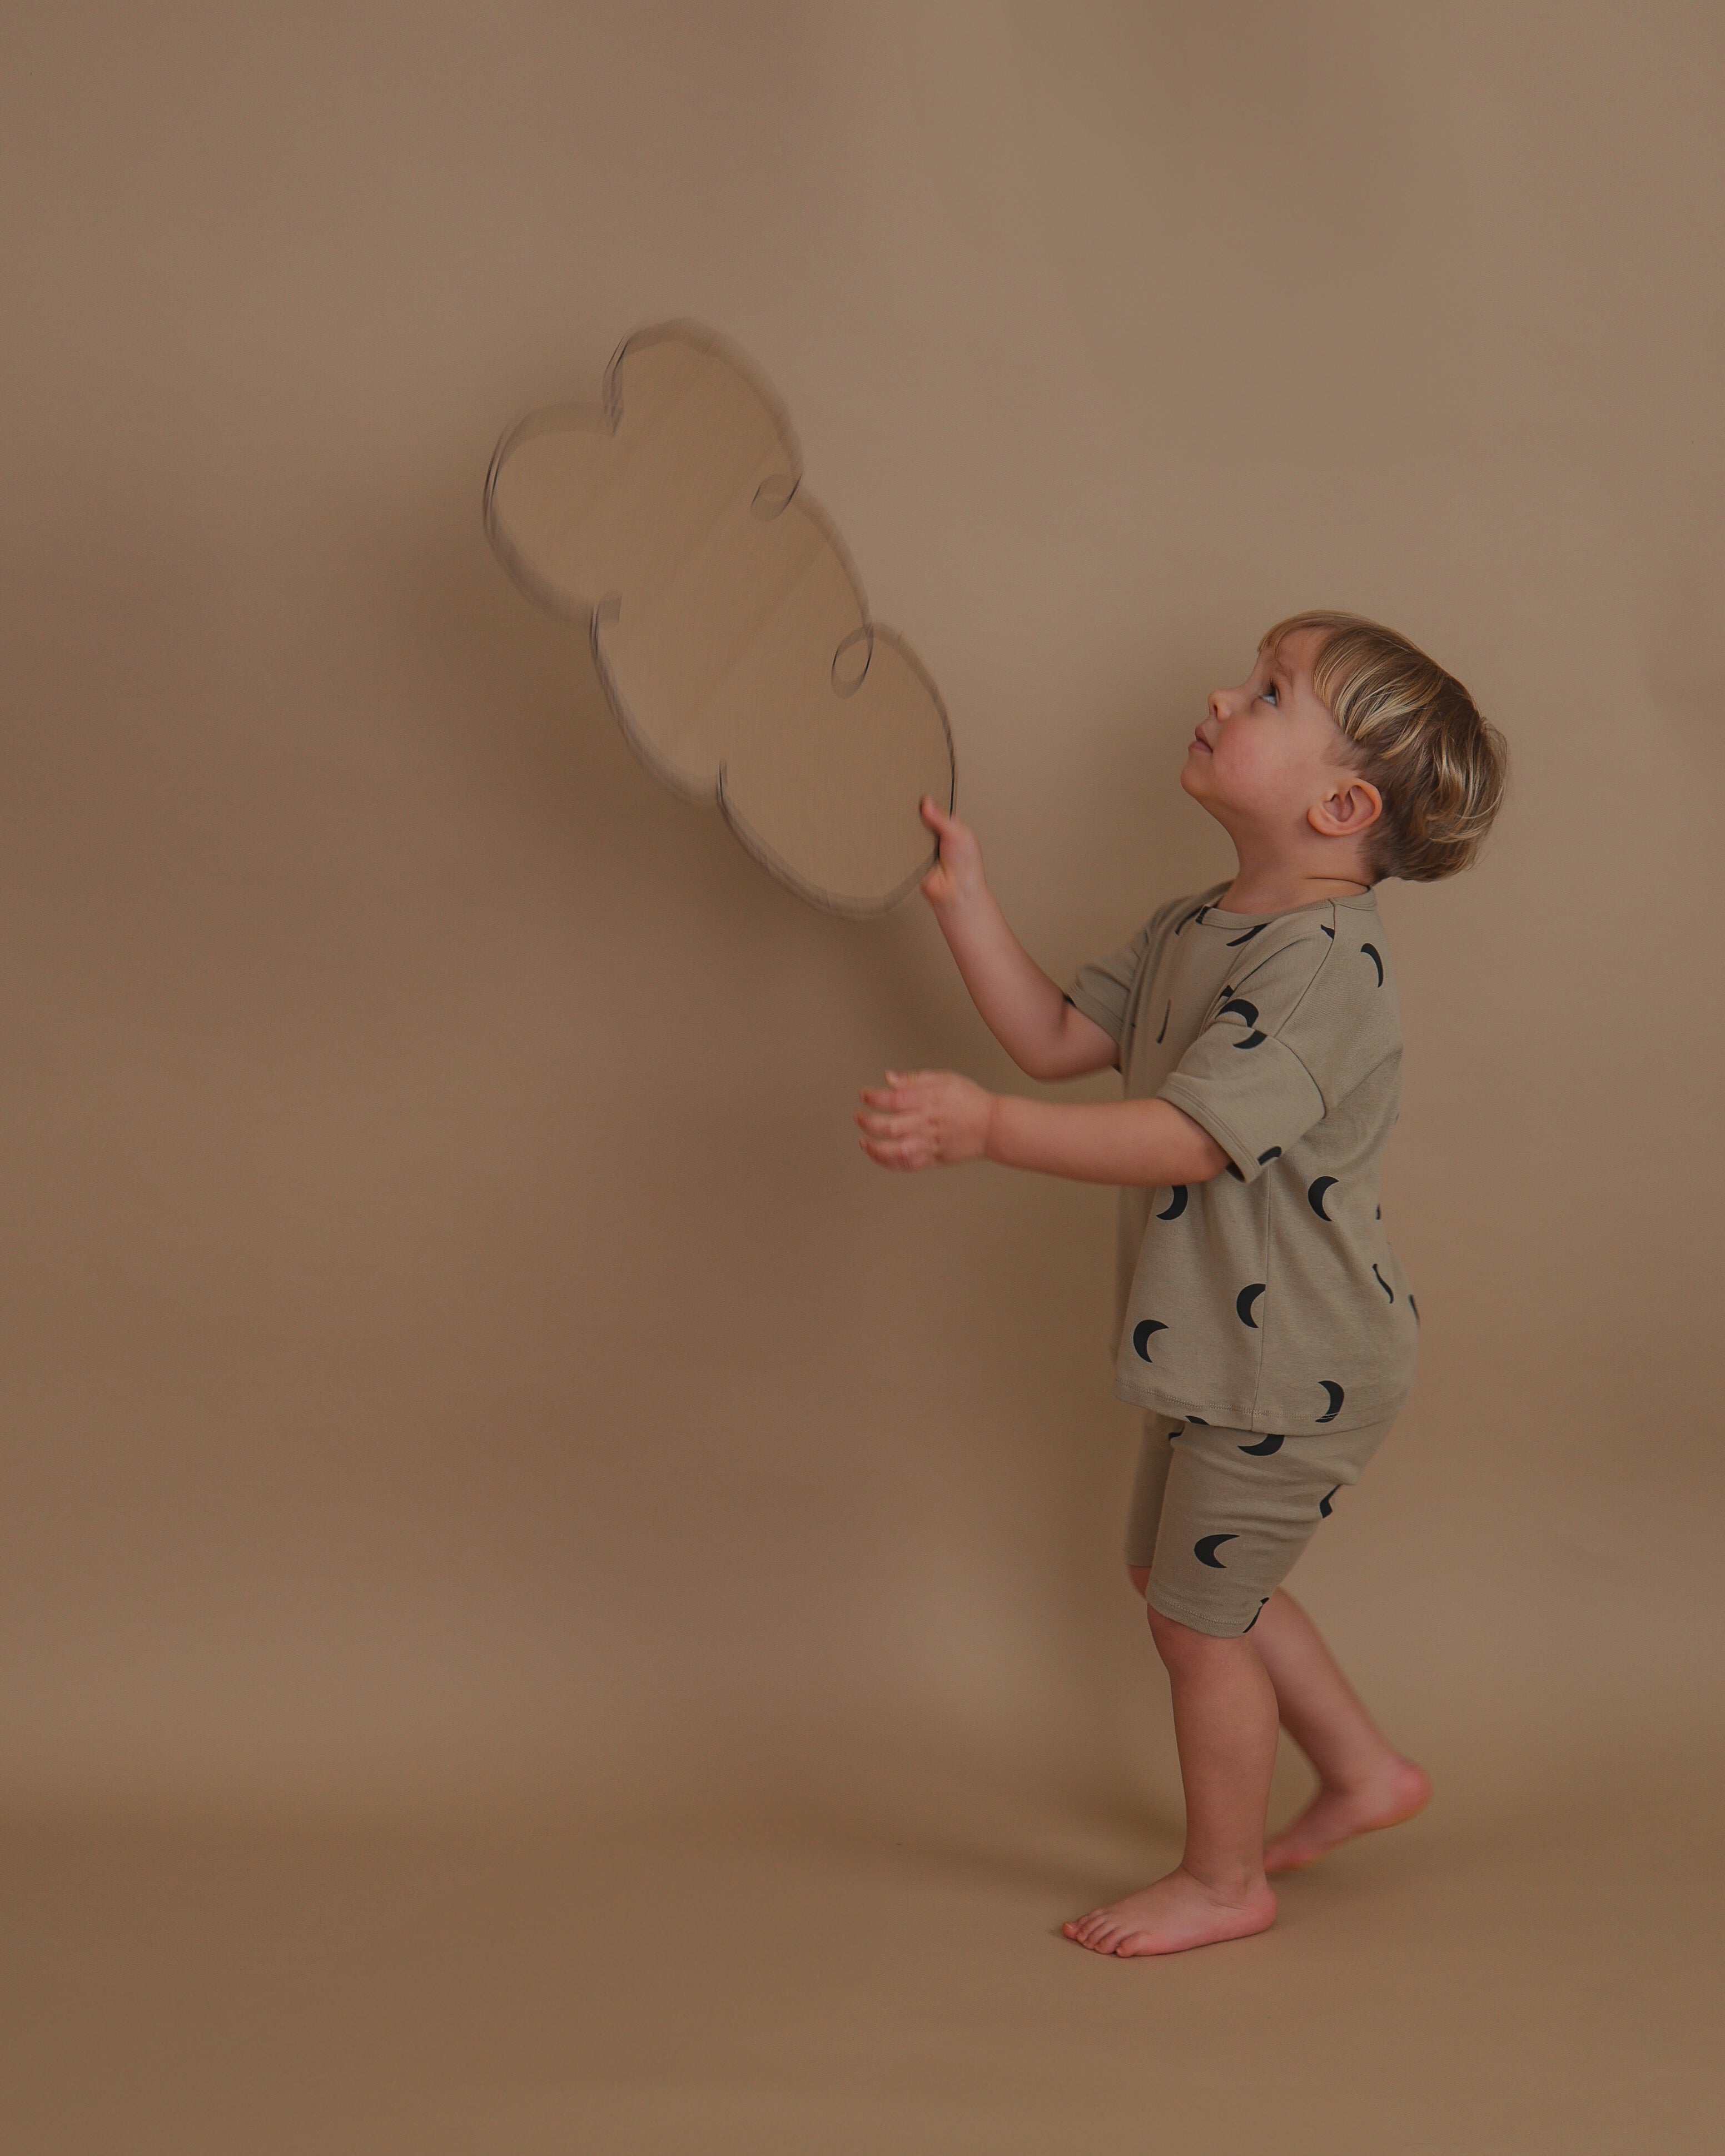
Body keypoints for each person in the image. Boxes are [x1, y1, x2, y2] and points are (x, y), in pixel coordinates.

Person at [856, 611, 1508, 1957]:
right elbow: (1052, 1039)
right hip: (1216, 1346)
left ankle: (1224, 1880)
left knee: (1195, 1623)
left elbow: (1189, 1136)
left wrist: (982, 1133)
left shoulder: (1330, 966)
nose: (1223, 693)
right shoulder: (1193, 924)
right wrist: (965, 899)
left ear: (1339, 804)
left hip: (1295, 1360)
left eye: (1267, 692)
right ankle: (1365, 1772)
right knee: (1187, 1573)